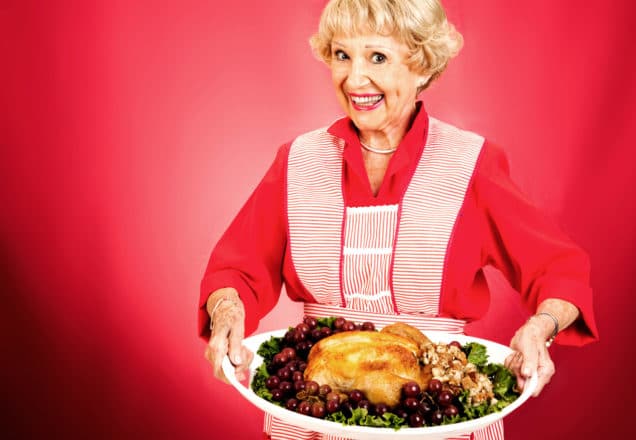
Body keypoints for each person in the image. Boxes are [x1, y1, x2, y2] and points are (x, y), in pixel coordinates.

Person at [198, 0, 598, 438]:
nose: (354, 79)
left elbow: (559, 270)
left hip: (436, 412)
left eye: (378, 57)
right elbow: (237, 269)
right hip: (314, 404)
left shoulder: (470, 163)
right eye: (341, 55)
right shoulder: (298, 160)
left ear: (422, 65)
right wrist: (227, 312)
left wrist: (540, 329)